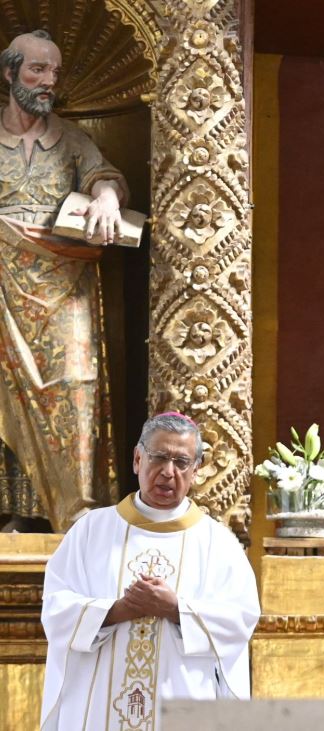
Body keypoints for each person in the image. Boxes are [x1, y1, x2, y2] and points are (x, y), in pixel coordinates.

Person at [39, 412, 259, 730]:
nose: (168, 472)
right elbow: (56, 609)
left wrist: (175, 609)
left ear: (196, 471)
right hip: (99, 705)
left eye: (181, 462)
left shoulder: (218, 543)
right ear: (138, 459)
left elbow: (239, 620)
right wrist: (116, 610)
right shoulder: (91, 531)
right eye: (159, 457)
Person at [0, 29, 130, 532]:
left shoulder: (71, 138)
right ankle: (16, 514)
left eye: (54, 72)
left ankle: (75, 516)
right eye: (37, 70)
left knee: (75, 387)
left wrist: (107, 197)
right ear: (10, 73)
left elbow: (106, 175)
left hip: (64, 287)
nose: (48, 81)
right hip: (4, 288)